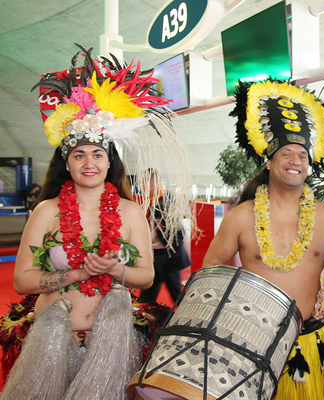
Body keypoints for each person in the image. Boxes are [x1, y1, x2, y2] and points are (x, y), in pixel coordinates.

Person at [0, 45, 189, 400]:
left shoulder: (130, 212)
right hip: (51, 339)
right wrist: (73, 275)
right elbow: (22, 281)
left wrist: (113, 267)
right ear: (67, 163)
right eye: (79, 155)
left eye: (98, 154)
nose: (89, 162)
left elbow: (146, 276)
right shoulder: (47, 212)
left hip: (112, 343)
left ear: (109, 162)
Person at [203, 79, 324, 400]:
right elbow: (209, 269)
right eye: (286, 153)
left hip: (310, 340)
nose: (295, 161)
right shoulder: (242, 216)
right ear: (269, 160)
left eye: (302, 155)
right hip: (251, 340)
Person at [135, 168, 190, 303]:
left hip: (166, 257)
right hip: (154, 255)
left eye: (143, 183)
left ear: (151, 184)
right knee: (147, 297)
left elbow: (178, 233)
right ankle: (146, 322)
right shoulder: (152, 202)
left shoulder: (164, 203)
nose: (141, 187)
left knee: (178, 297)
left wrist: (171, 257)